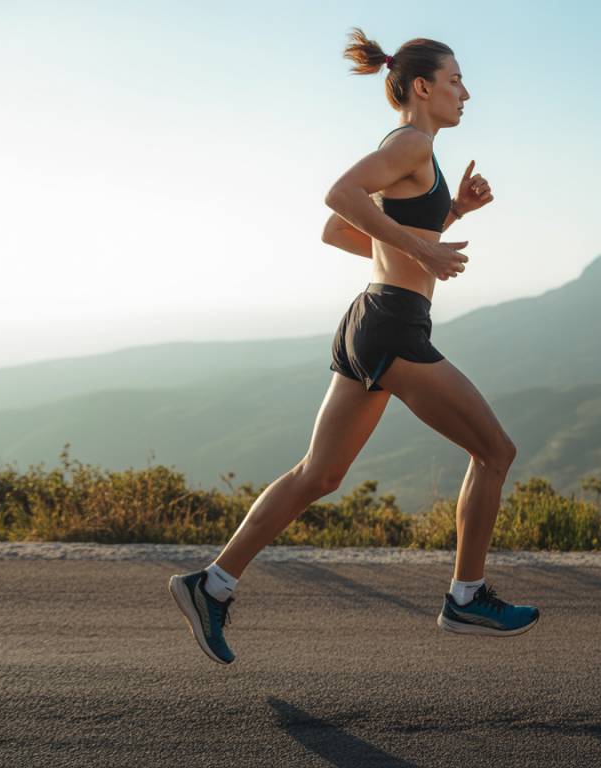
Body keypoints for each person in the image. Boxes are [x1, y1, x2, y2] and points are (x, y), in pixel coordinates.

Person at [169, 27, 539, 665]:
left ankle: (212, 584)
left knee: (320, 474)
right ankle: (467, 596)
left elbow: (343, 234)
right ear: (423, 88)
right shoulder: (411, 141)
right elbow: (338, 199)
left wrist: (448, 217)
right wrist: (423, 245)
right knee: (496, 452)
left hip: (371, 319)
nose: (466, 93)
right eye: (456, 82)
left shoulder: (411, 152)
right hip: (393, 324)